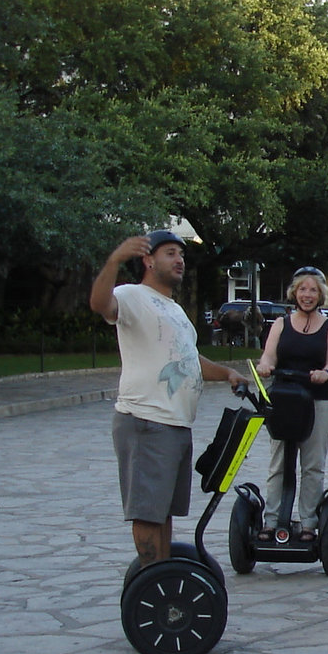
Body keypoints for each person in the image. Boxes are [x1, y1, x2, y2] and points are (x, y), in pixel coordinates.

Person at [89, 230, 250, 567]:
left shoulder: (173, 309)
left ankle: (161, 576)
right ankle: (153, 582)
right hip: (146, 421)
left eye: (181, 254)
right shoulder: (132, 295)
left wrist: (227, 374)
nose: (180, 260)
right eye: (171, 253)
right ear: (148, 261)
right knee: (148, 512)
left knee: (162, 512)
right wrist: (115, 260)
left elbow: (188, 360)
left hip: (175, 424)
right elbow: (100, 304)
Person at [254, 266, 328, 541]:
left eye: (313, 290)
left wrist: (324, 373)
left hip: (320, 399)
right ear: (295, 292)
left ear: (320, 295)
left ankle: (307, 523)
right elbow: (268, 356)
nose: (307, 294)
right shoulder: (281, 324)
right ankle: (271, 521)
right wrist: (265, 367)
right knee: (278, 461)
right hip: (285, 399)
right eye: (303, 289)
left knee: (313, 464)